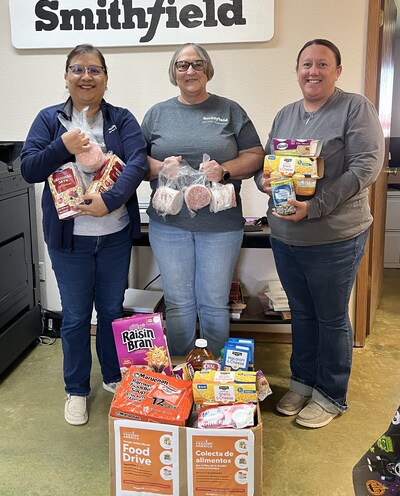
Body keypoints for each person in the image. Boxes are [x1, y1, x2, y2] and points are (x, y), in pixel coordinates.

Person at [256, 38, 384, 429]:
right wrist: (266, 182)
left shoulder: (355, 108)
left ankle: (331, 395)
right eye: (306, 64)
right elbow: (270, 161)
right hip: (285, 236)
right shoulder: (286, 114)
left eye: (323, 64)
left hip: (335, 237)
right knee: (302, 315)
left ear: (338, 71)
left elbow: (366, 166)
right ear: (297, 71)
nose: (313, 72)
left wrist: (316, 207)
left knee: (330, 317)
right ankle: (302, 381)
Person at [21, 44, 147, 426]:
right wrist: (63, 145)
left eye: (94, 70)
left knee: (111, 311)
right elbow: (28, 168)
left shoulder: (121, 119)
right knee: (75, 317)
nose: (86, 76)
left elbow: (138, 162)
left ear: (106, 78)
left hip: (114, 235)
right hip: (69, 240)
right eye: (78, 69)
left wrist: (109, 201)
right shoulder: (49, 120)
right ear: (66, 76)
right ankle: (76, 389)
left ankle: (112, 375)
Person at [142, 43, 264, 359]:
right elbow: (135, 162)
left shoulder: (230, 110)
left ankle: (217, 377)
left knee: (213, 301)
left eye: (197, 64)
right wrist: (159, 167)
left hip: (221, 226)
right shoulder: (157, 113)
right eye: (182, 65)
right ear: (174, 72)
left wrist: (224, 169)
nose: (190, 71)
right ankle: (182, 369)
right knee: (179, 301)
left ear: (207, 70)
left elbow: (255, 156)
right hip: (169, 226)